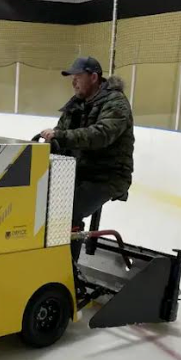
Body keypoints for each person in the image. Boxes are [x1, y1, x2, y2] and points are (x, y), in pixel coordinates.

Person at [40, 56, 134, 259]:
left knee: (67, 210)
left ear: (93, 77)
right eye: (72, 78)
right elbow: (60, 132)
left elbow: (101, 135)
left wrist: (61, 136)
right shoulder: (77, 104)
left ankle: (67, 270)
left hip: (107, 177)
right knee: (41, 202)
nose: (73, 82)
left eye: (78, 77)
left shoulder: (116, 103)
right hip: (78, 173)